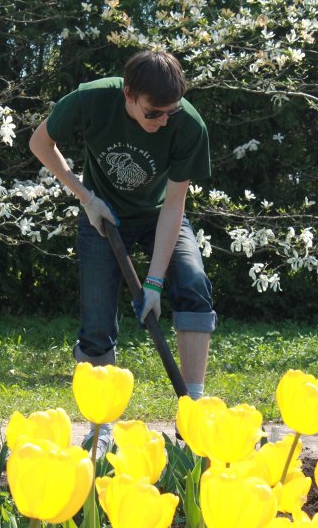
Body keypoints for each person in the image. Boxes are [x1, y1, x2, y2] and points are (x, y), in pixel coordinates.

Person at [29, 49, 216, 454]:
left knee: (194, 283)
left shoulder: (188, 125)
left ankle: (192, 415)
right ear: (129, 95)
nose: (163, 120)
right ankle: (101, 426)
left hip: (158, 216)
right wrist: (85, 197)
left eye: (170, 111)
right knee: (96, 320)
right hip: (102, 214)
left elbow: (174, 204)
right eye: (154, 113)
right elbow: (40, 142)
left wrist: (154, 282)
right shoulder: (91, 99)